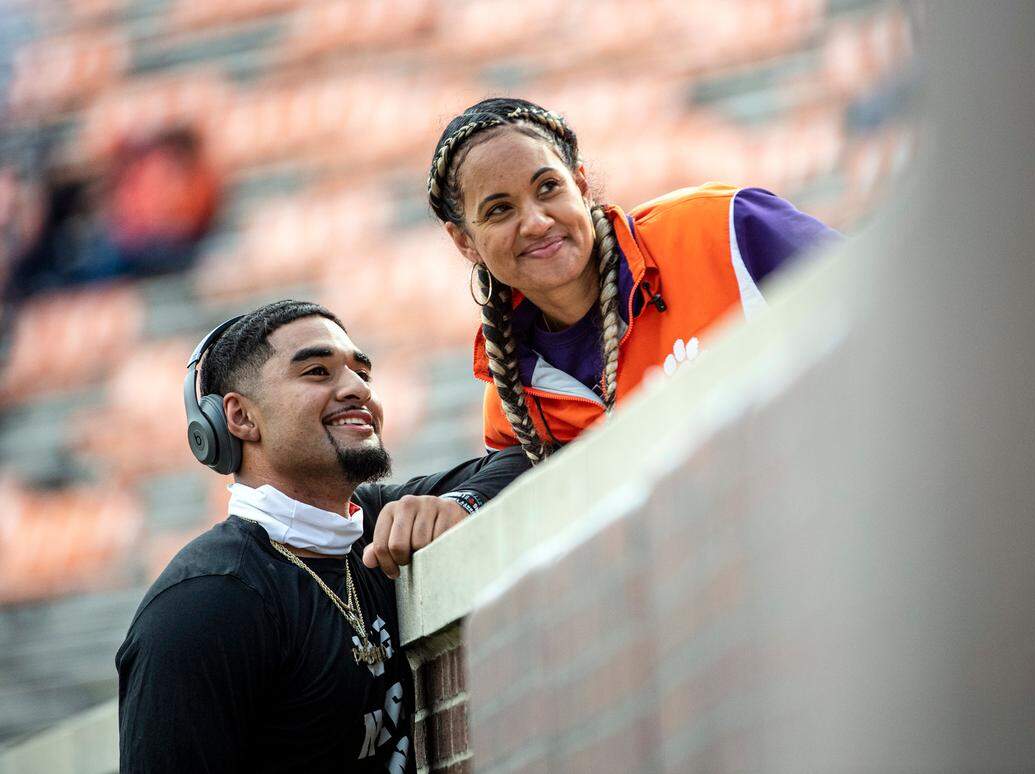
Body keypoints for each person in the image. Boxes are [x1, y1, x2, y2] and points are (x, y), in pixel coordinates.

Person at [116, 300, 528, 773]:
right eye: (317, 371)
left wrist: (460, 505)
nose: (358, 390)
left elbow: (528, 460)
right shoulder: (203, 602)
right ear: (239, 418)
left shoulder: (374, 518)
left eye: (363, 373)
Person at [428, 97, 841, 464]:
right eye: (499, 210)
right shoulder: (510, 404)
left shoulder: (720, 228)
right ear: (465, 241)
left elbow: (878, 293)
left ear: (582, 185)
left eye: (549, 187)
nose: (537, 222)